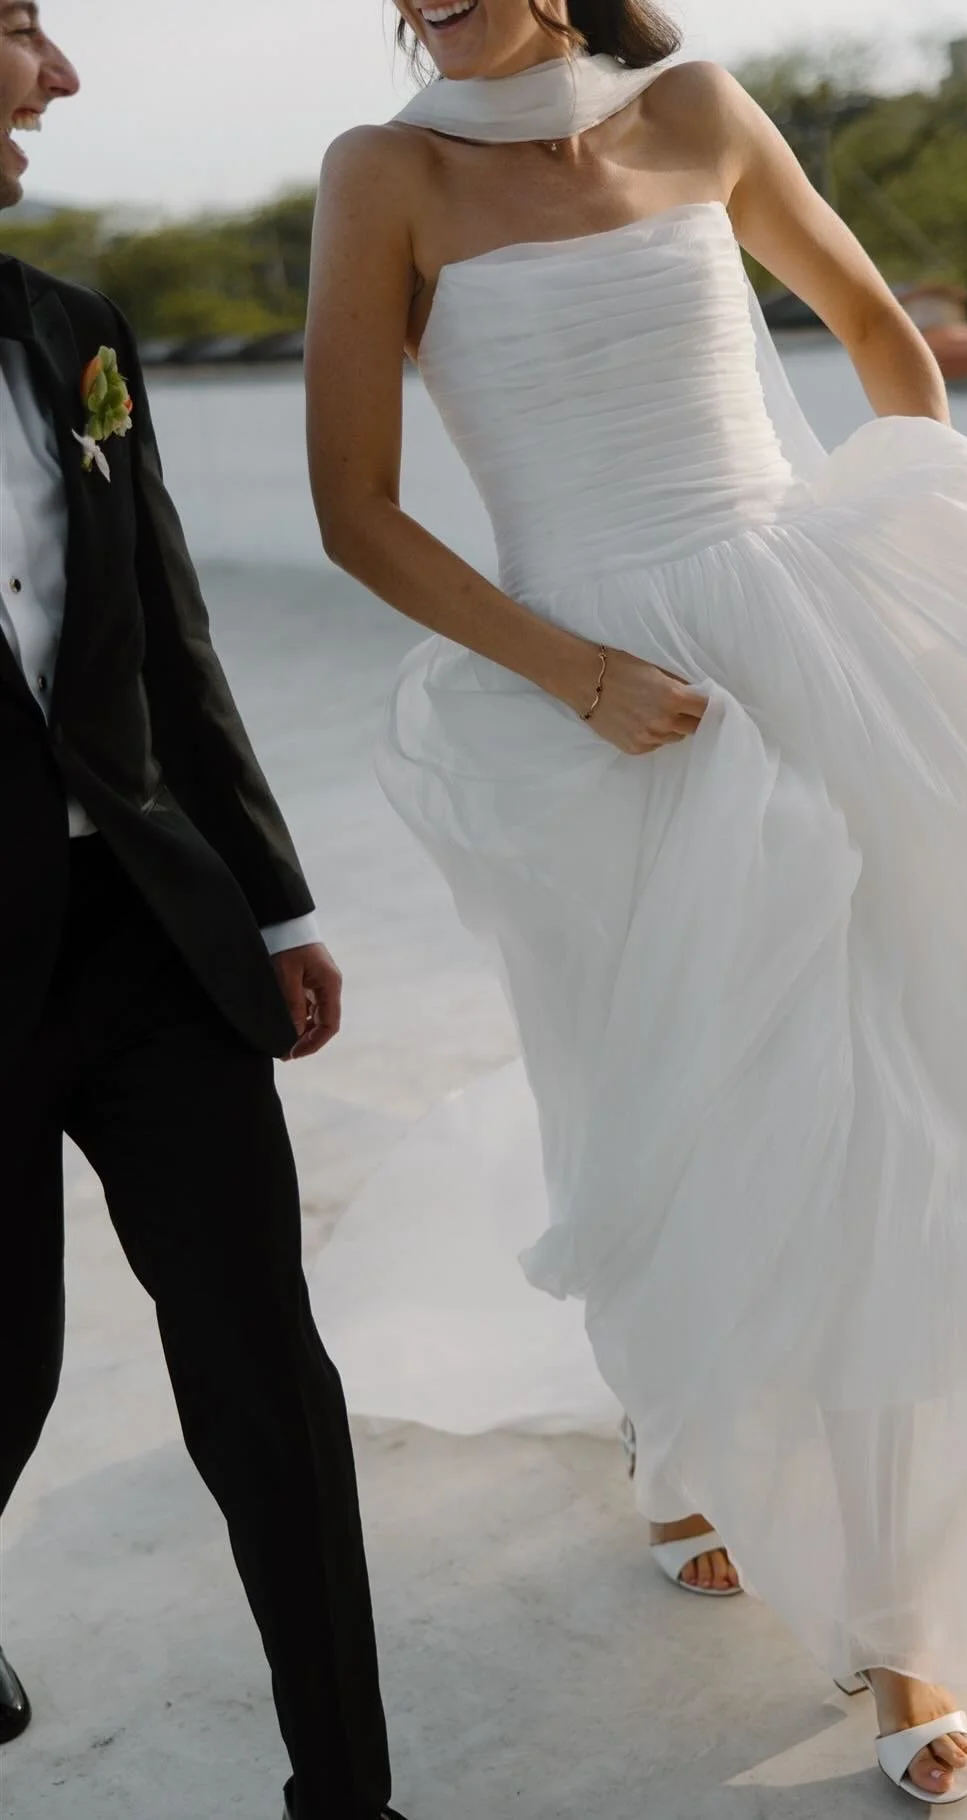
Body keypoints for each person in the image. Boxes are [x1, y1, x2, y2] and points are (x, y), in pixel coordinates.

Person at [304, 0, 967, 1805]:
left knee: (886, 1120)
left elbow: (876, 329)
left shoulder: (702, 111)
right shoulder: (384, 172)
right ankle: (682, 1423)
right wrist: (580, 680)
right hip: (613, 704)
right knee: (657, 1102)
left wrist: (917, 556)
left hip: (824, 645)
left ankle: (897, 1620)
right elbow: (357, 507)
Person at [0, 9, 409, 1816]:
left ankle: (349, 1795)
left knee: (266, 1385)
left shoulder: (78, 335)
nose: (62, 75)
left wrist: (271, 899)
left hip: (152, 941)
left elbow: (166, 634)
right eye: (22, 27)